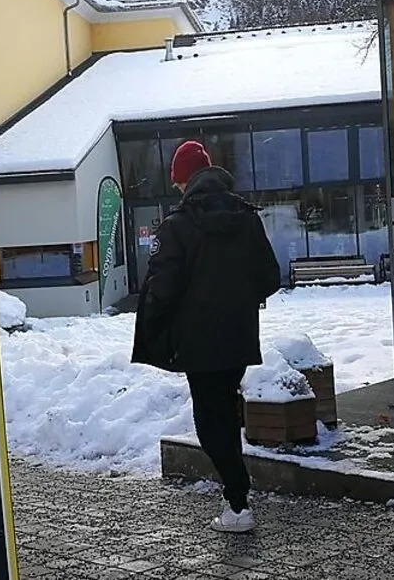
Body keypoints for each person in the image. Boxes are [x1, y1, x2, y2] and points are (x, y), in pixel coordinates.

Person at [130, 140, 281, 533]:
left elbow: (160, 288)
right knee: (225, 414)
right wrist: (239, 300)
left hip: (197, 344)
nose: (178, 188)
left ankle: (238, 501)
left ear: (184, 180)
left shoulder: (177, 227)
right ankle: (236, 499)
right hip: (239, 339)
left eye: (178, 181)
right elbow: (269, 277)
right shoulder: (247, 218)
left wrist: (153, 329)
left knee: (210, 422)